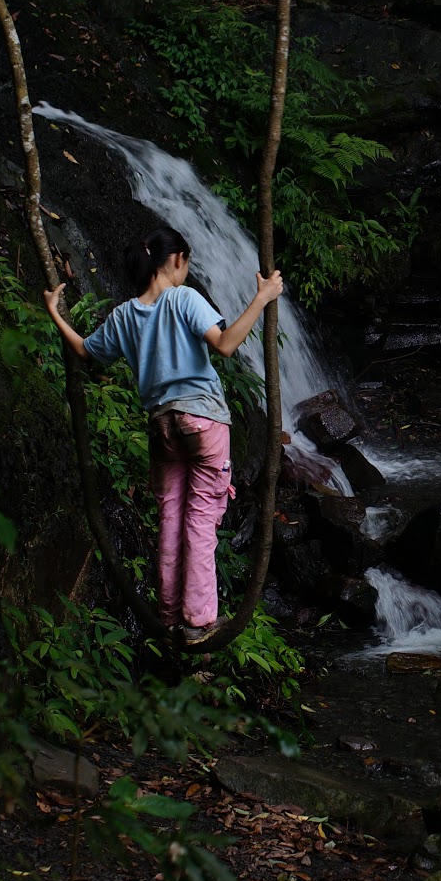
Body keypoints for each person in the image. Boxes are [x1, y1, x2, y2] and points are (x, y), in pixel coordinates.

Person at [44, 224, 283, 644]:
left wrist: (53, 311)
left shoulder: (123, 316)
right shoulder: (183, 298)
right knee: (201, 520)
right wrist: (262, 298)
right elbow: (225, 344)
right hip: (204, 421)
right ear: (176, 260)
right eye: (187, 263)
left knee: (171, 519)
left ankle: (171, 617)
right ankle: (199, 621)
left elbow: (83, 350)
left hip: (163, 427)